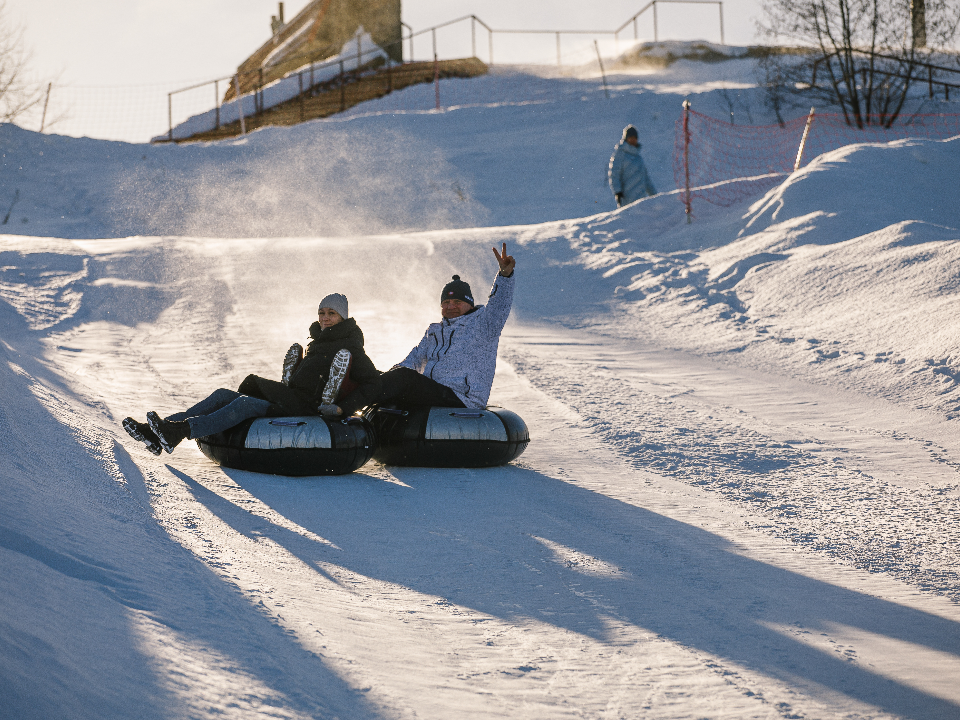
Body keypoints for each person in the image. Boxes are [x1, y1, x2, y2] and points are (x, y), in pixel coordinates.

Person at [122, 293, 380, 455]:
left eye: (331, 313)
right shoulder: (319, 342)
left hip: (308, 408)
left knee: (244, 403)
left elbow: (371, 382)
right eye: (322, 313)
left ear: (342, 317)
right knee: (223, 394)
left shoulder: (351, 346)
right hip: (291, 399)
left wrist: (341, 409)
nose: (324, 318)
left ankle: (176, 432)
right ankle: (156, 432)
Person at [325, 243, 516, 417]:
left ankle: (345, 406)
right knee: (379, 375)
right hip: (432, 393)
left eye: (457, 301)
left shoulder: (483, 325)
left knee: (404, 379)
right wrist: (378, 377)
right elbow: (413, 361)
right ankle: (333, 391)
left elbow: (499, 306)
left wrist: (505, 276)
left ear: (469, 303)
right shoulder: (434, 332)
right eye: (446, 302)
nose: (451, 306)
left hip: (462, 398)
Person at [608, 124, 656, 208]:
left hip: (641, 198)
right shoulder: (620, 154)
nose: (633, 140)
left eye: (635, 138)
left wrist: (654, 196)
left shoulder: (638, 158)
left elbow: (646, 178)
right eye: (631, 137)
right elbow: (614, 174)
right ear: (626, 139)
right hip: (627, 198)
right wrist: (618, 192)